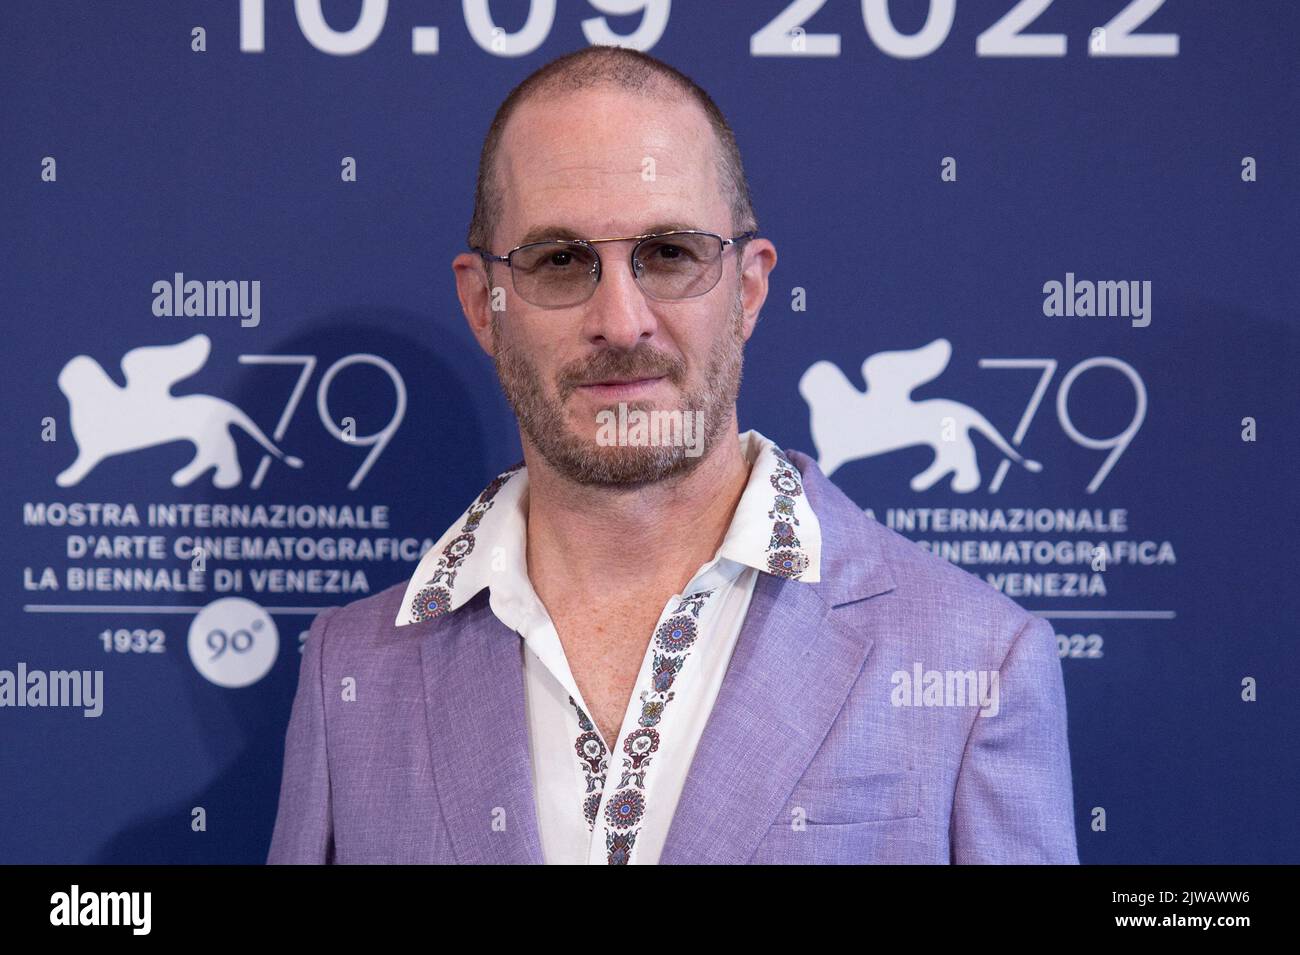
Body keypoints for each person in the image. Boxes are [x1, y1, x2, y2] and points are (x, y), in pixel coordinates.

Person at [267, 45, 1077, 865]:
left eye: (668, 255)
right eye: (559, 261)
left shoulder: (973, 664)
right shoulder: (353, 673)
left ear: (749, 287)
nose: (621, 321)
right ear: (485, 304)